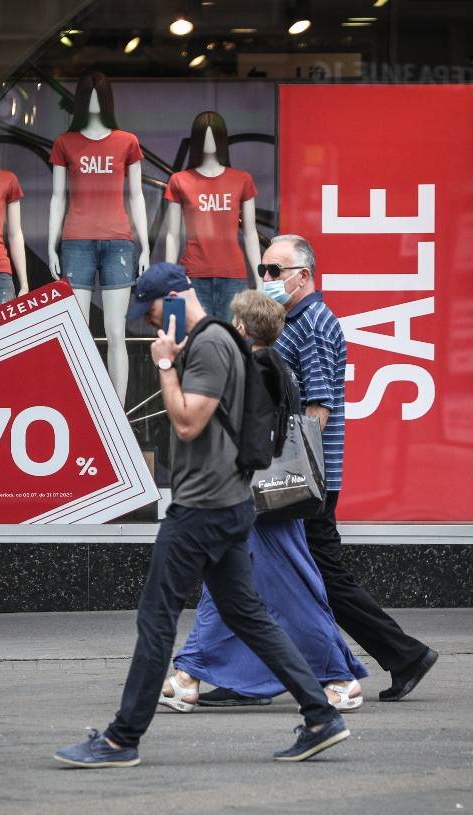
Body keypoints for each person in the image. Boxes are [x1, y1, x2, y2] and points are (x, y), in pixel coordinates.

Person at [54, 263, 349, 768]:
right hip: (227, 503)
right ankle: (321, 716)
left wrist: (165, 365)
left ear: (170, 298)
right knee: (247, 615)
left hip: (203, 508)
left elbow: (189, 422)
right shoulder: (217, 342)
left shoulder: (209, 344)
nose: (150, 323)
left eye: (150, 311)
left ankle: (122, 739)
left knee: (156, 618)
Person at [160, 290, 368, 713]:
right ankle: (188, 674)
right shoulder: (272, 367)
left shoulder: (255, 368)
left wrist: (171, 364)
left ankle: (341, 677)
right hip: (267, 499)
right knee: (233, 588)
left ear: (240, 327)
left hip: (260, 502)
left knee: (290, 591)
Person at [253, 234, 439, 703]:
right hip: (306, 476)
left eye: (276, 271)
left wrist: (297, 474)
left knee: (321, 575)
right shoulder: (292, 319)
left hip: (308, 480)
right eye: (263, 271)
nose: (268, 279)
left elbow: (319, 407)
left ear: (304, 275)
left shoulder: (312, 323)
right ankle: (402, 655)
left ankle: (404, 655)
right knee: (310, 573)